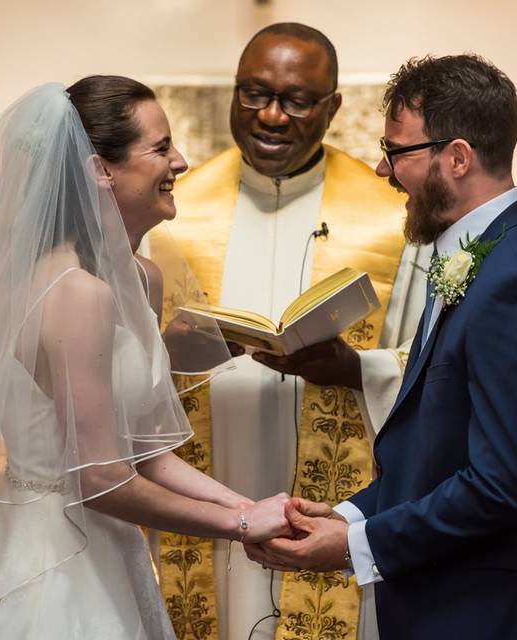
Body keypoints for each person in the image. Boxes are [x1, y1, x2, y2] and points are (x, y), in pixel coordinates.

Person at [0, 77, 292, 640]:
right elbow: (100, 480)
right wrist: (239, 524)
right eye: (161, 148)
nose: (180, 162)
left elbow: (147, 457)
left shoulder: (140, 278)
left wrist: (259, 509)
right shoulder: (72, 292)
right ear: (100, 170)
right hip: (51, 567)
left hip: (113, 552)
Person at [249, 54, 517, 639]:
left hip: (498, 617)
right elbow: (440, 453)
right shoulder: (482, 259)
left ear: (458, 158)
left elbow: (500, 486)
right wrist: (345, 515)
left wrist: (355, 544)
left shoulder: (516, 282)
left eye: (396, 151)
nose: (382, 169)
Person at [156, 23, 423, 640]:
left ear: (332, 107)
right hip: (209, 491)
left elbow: (429, 361)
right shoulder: (174, 213)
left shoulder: (391, 218)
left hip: (338, 500)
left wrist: (356, 367)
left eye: (297, 100)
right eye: (254, 93)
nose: (271, 116)